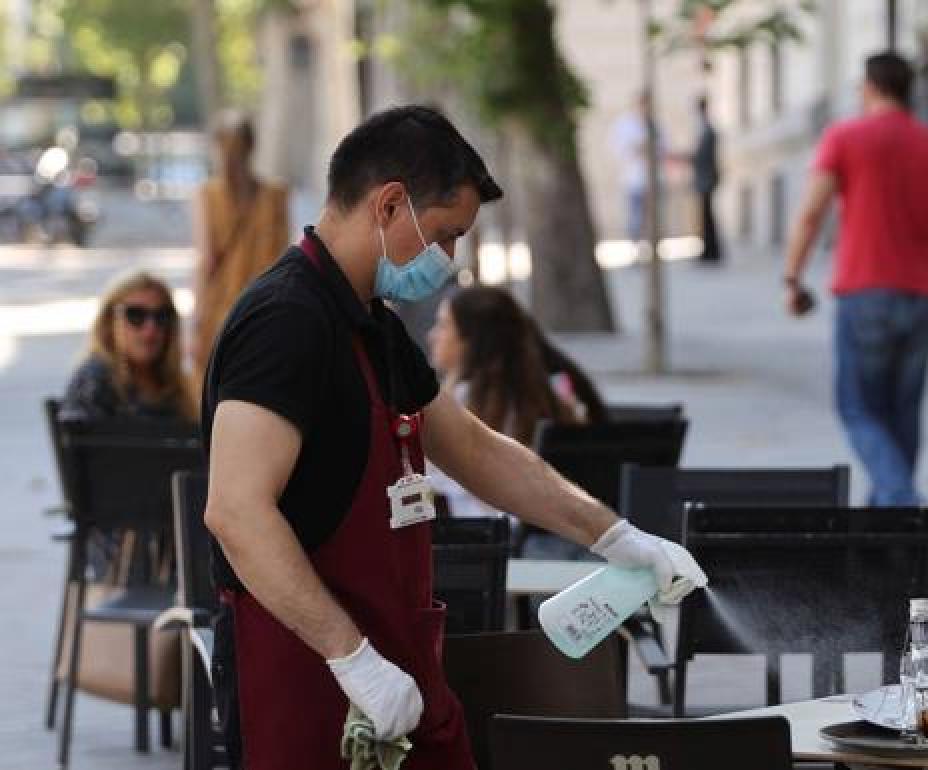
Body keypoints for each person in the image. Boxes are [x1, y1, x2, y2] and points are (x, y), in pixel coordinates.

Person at [200, 105, 706, 769]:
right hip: (306, 675)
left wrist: (614, 535)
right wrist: (352, 659)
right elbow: (235, 512)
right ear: (388, 205)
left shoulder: (374, 326)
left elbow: (474, 448)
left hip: (400, 662)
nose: (451, 260)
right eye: (445, 234)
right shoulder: (284, 322)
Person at [782, 51, 928, 506]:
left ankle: (902, 501)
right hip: (921, 292)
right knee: (904, 409)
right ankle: (891, 523)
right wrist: (923, 247)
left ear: (869, 87)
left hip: (864, 289)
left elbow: (810, 214)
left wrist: (792, 276)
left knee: (858, 406)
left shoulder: (845, 137)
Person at [424, 285, 585, 521]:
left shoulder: (459, 405)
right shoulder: (553, 398)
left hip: (482, 541)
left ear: (470, 339)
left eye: (443, 325)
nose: (432, 335)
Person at [190, 111, 290, 379]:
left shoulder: (208, 195)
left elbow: (207, 260)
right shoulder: (276, 195)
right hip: (264, 311)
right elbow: (283, 261)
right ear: (252, 147)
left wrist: (197, 320)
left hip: (219, 312)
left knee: (215, 391)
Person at [63, 270, 195, 421]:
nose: (150, 329)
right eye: (136, 315)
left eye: (161, 316)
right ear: (109, 321)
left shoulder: (178, 388)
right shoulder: (95, 381)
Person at [611, 90, 664, 243]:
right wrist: (637, 148)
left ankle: (651, 246)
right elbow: (618, 148)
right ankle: (636, 246)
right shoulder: (625, 124)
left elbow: (664, 147)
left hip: (654, 179)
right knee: (635, 217)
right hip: (633, 179)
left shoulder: (655, 124)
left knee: (654, 217)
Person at [691, 95, 721, 263]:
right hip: (704, 177)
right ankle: (708, 251)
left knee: (707, 216)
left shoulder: (707, 128)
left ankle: (711, 252)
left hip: (707, 178)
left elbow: (702, 156)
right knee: (705, 216)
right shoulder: (704, 128)